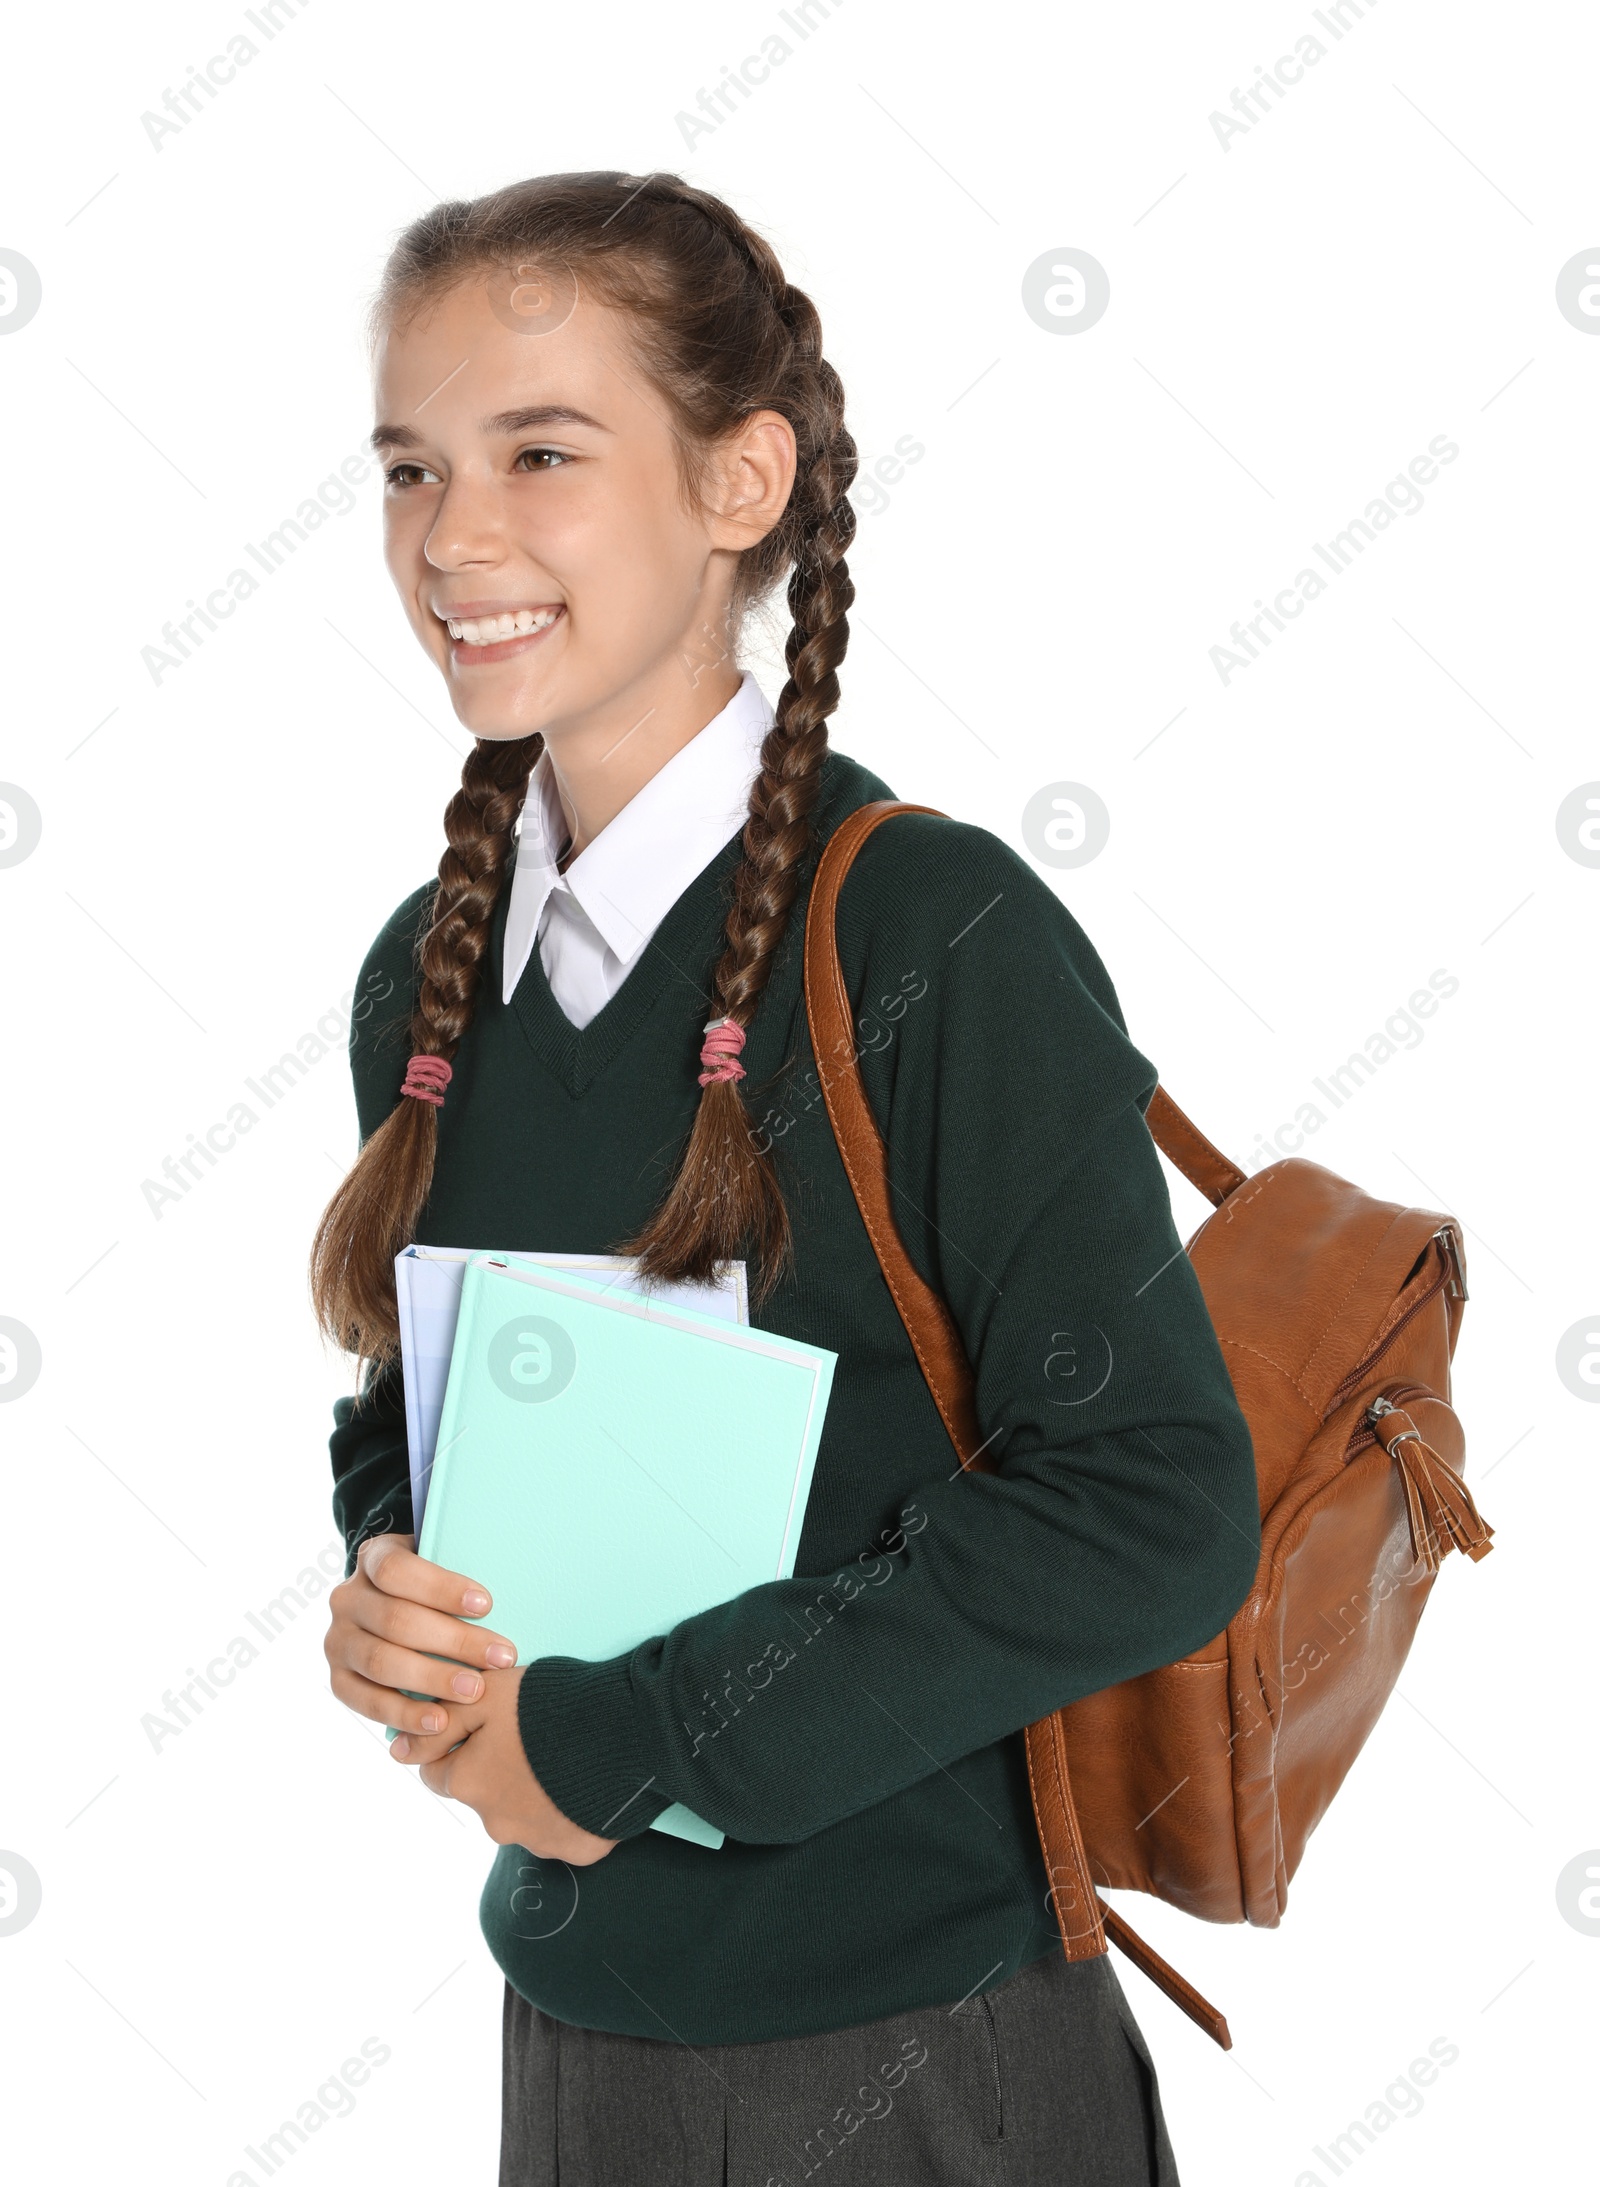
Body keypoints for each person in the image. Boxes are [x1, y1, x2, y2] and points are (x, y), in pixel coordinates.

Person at [315, 169, 1260, 2187]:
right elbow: (418, 1404)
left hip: (921, 2048)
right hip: (574, 2028)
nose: (449, 537)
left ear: (740, 481)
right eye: (410, 468)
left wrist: (622, 1738)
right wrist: (392, 1585)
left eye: (538, 453)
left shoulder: (931, 930)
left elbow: (1151, 1502)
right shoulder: (428, 969)